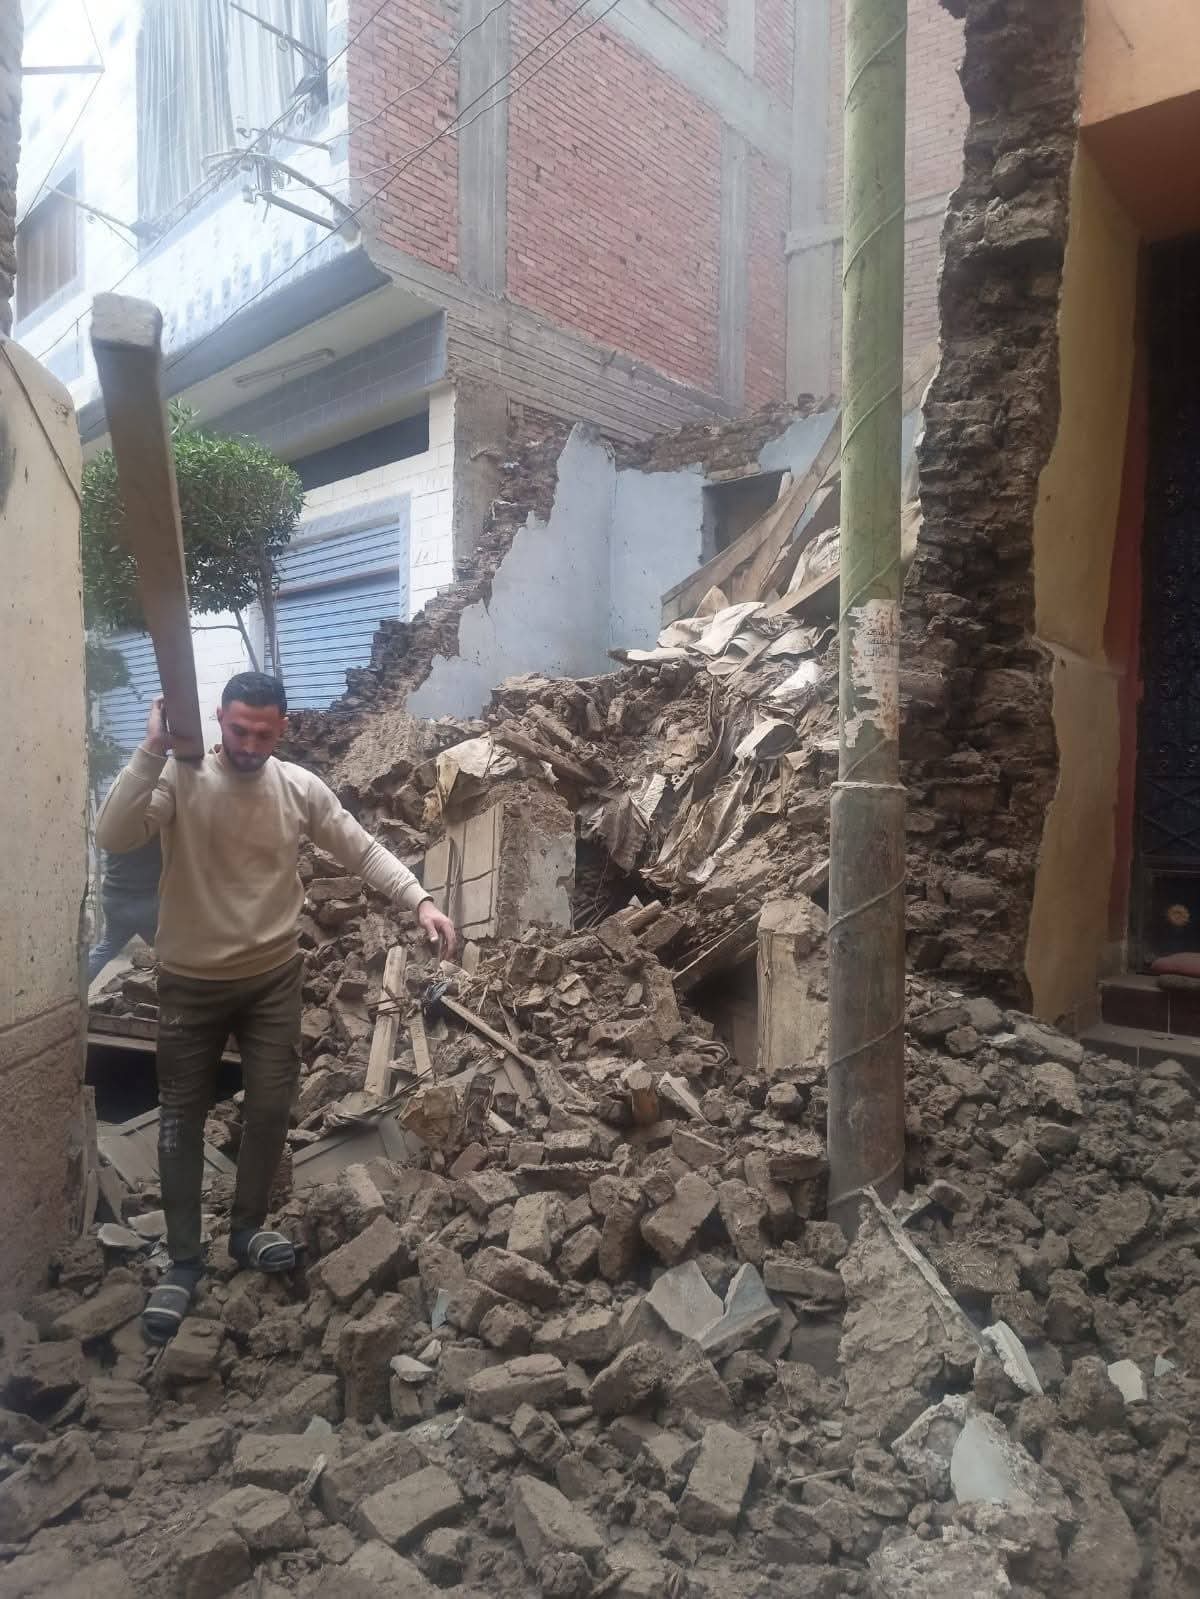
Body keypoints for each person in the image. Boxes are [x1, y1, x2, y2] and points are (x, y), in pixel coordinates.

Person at [95, 671, 457, 1343]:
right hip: (189, 980)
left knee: (268, 1107)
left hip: (271, 979)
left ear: (282, 729)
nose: (249, 744)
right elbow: (114, 834)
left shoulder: (298, 788)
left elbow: (361, 847)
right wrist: (150, 748)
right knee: (179, 1117)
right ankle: (183, 1259)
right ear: (219, 719)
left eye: (263, 733)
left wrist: (420, 901)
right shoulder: (179, 776)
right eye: (238, 730)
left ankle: (246, 1230)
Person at [86, 836, 163, 983]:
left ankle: (74, 990)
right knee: (170, 952)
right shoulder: (154, 828)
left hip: (114, 898)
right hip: (148, 902)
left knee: (105, 949)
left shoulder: (116, 826)